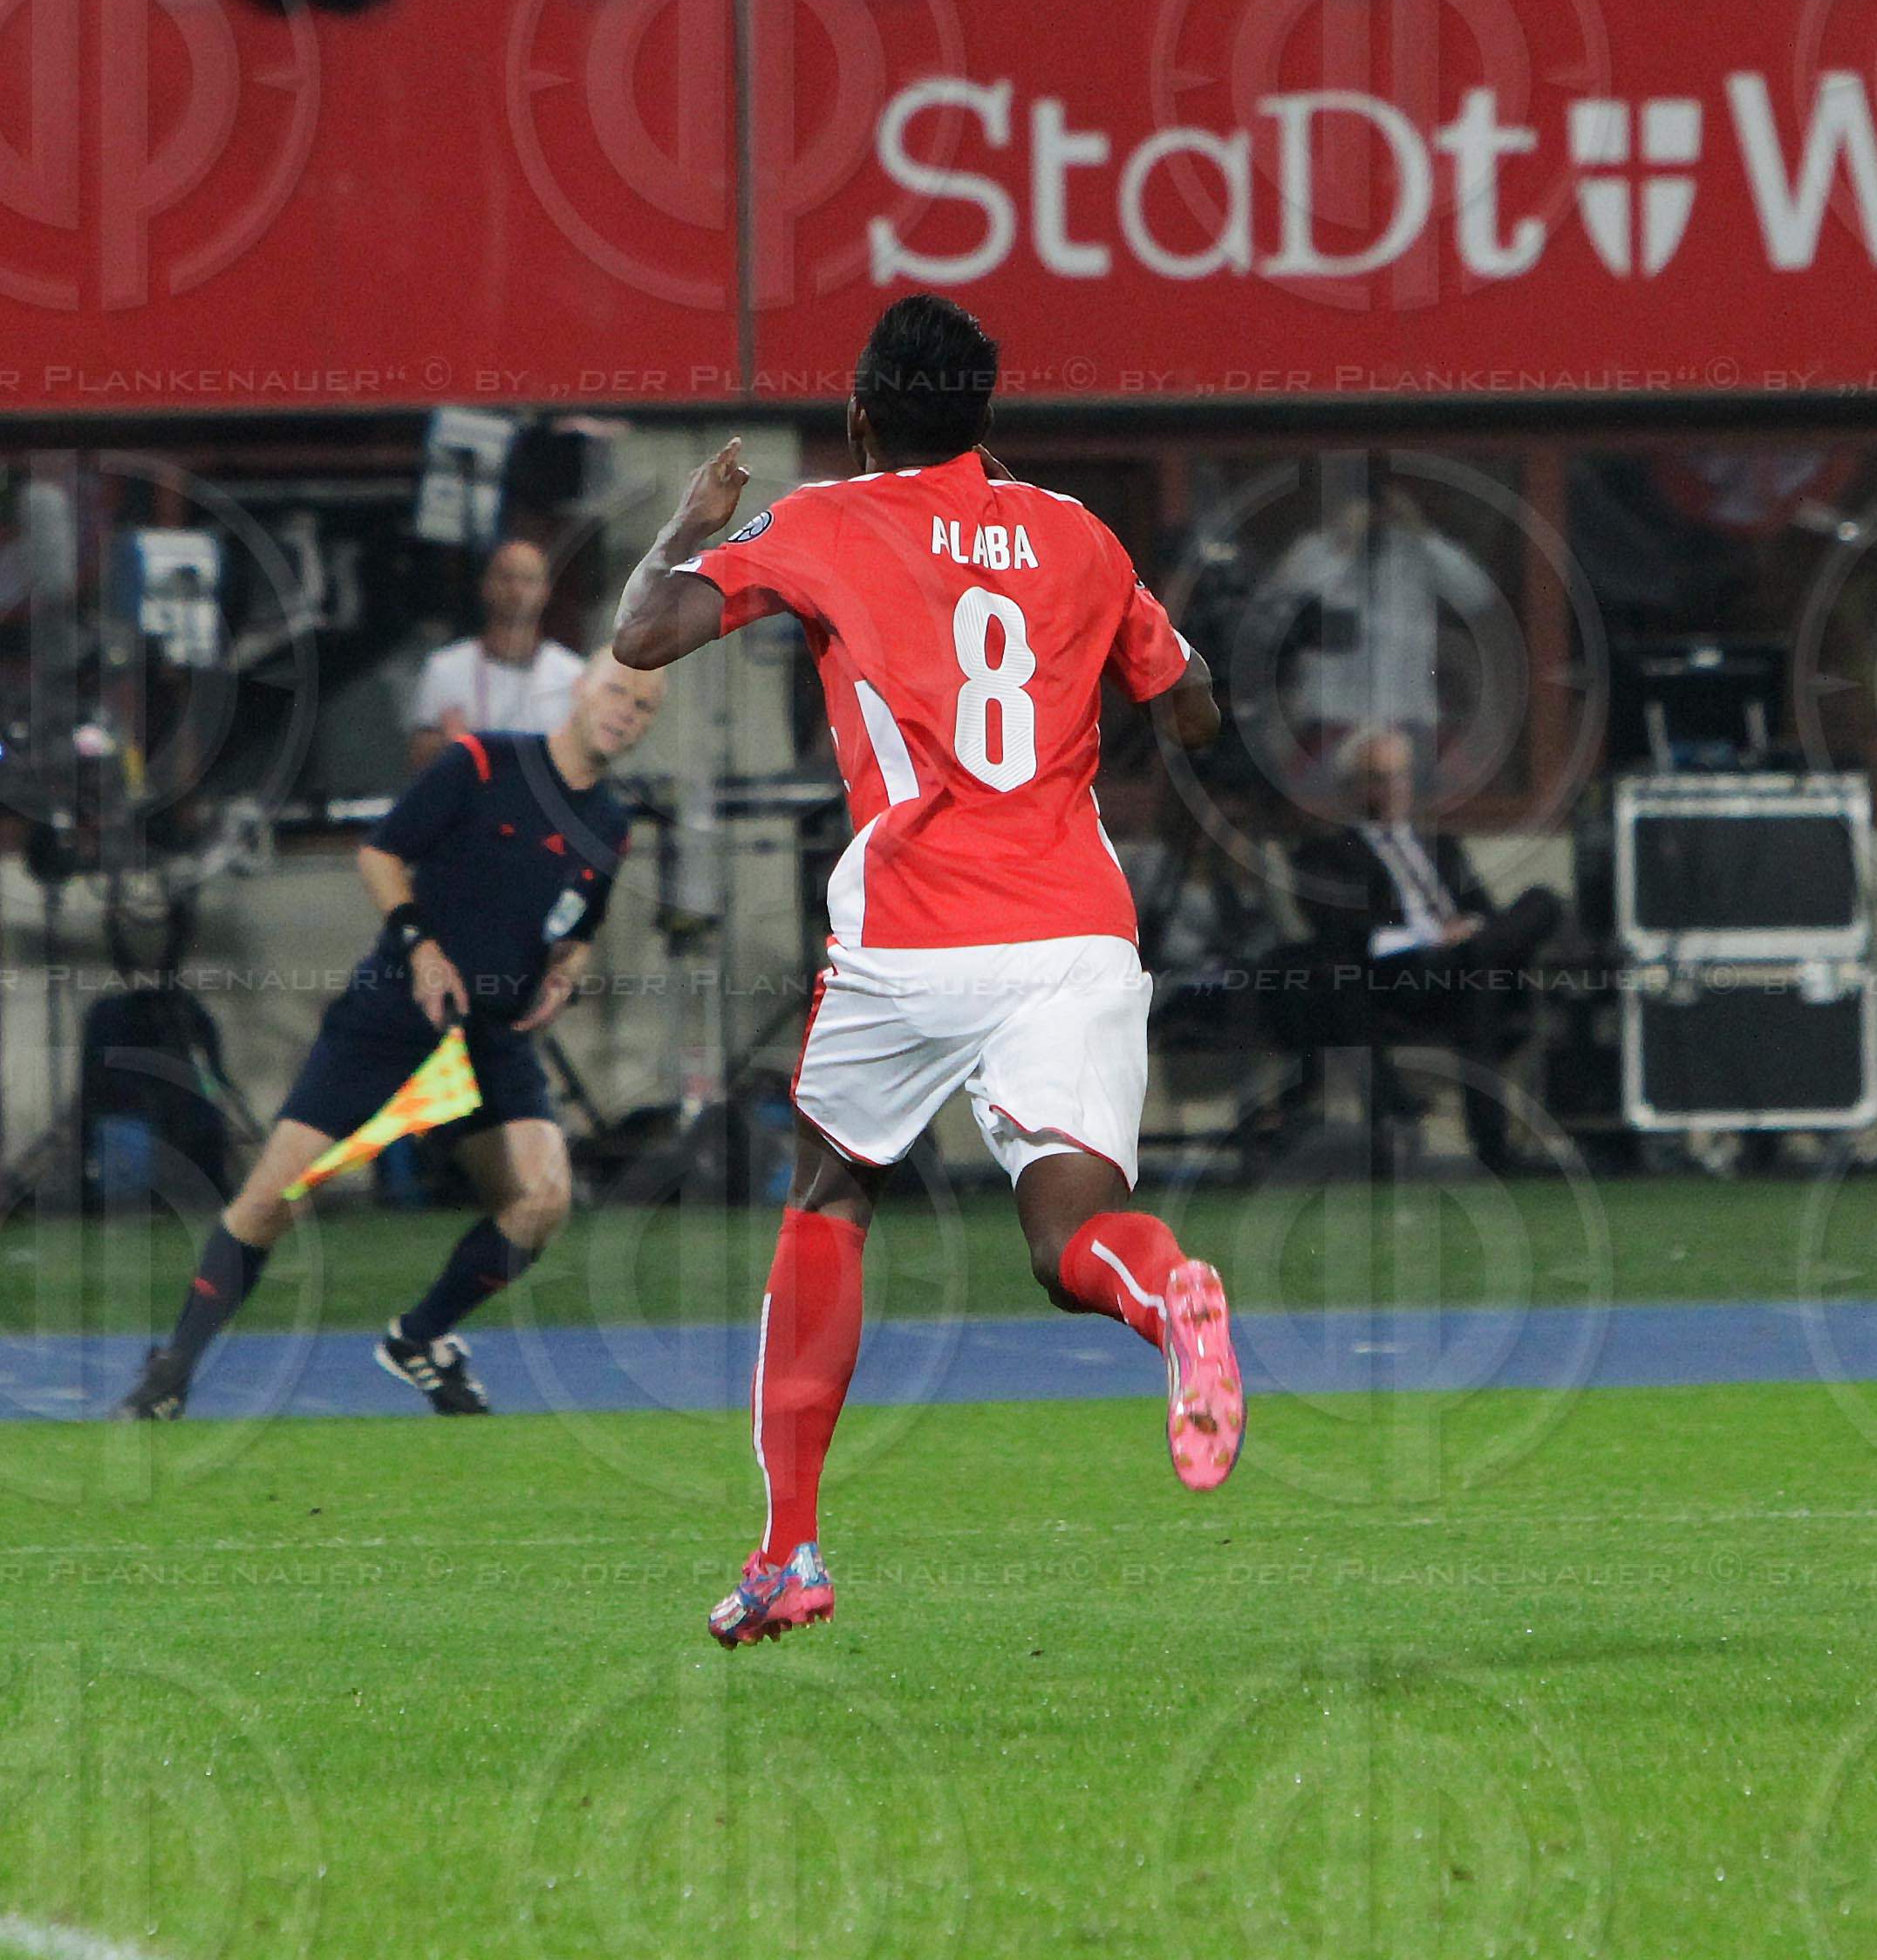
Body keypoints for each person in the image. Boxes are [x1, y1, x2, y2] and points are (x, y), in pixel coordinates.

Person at [611, 294, 1241, 1647]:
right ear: (989, 414)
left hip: (913, 933)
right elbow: (1193, 710)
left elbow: (641, 637)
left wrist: (685, 530)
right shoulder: (1077, 532)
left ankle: (788, 1553)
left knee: (832, 1188)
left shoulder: (830, 520)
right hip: (1075, 931)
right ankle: (1165, 1294)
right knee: (1071, 1229)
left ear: (857, 412)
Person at [115, 659, 659, 1422]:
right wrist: (422, 946)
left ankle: (420, 1339)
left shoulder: (608, 824)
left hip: (489, 1037)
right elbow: (379, 853)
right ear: (577, 689)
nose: (626, 711)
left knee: (542, 1201)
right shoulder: (484, 761)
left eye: (643, 706)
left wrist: (568, 971)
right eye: (616, 691)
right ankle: (172, 1366)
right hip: (394, 1016)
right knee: (275, 1197)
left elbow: (581, 928)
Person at [1280, 727, 1574, 1172]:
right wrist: (1435, 937)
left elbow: (1482, 909)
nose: (1394, 788)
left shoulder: (1439, 845)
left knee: (1541, 902)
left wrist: (1472, 933)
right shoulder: (1326, 855)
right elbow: (1348, 936)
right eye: (1380, 777)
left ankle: (1479, 956)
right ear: (1353, 787)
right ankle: (1495, 1148)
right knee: (1475, 967)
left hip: (1469, 965)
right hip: (1402, 978)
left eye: (1401, 776)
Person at [413, 538, 585, 748]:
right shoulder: (445, 667)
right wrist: (450, 747)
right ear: (485, 586)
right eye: (506, 578)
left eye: (529, 580)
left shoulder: (574, 675)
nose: (516, 590)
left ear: (546, 591)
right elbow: (419, 760)